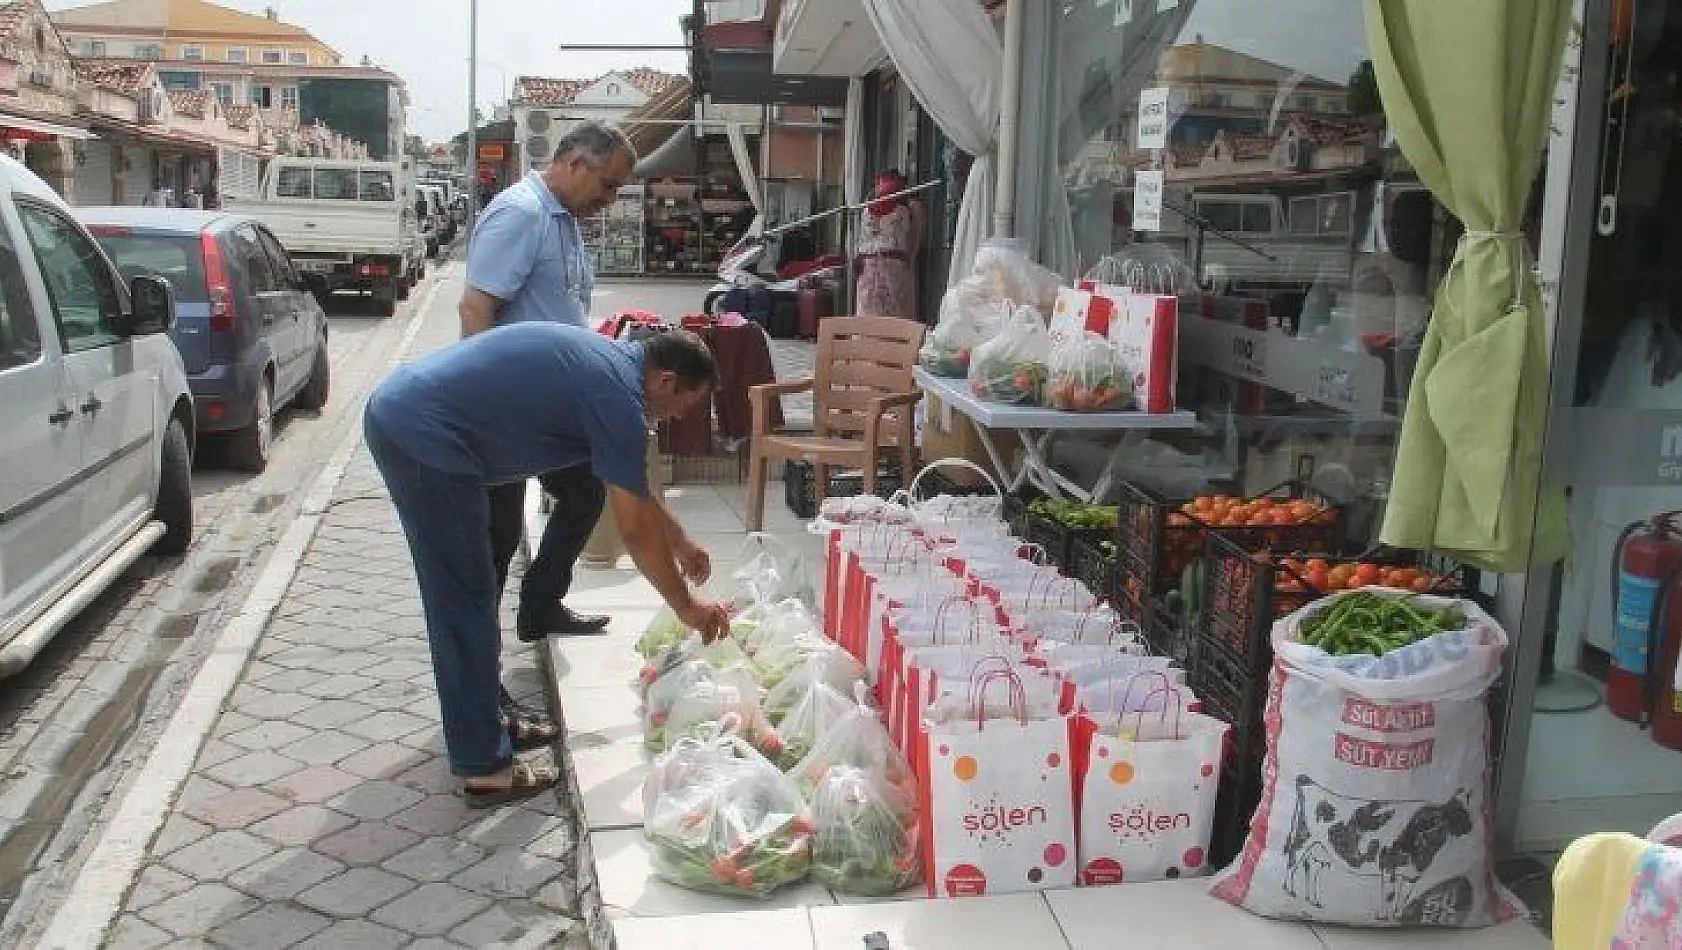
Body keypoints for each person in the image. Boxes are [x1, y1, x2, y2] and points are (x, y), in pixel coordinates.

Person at [364, 324, 731, 805]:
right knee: (462, 599)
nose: (680, 417)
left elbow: (632, 488)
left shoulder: (615, 369)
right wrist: (687, 606)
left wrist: (681, 542)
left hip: (442, 426)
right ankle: (484, 767)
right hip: (424, 436)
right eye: (684, 404)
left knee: (489, 572)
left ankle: (488, 719)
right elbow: (635, 529)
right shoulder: (617, 394)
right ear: (664, 380)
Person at [458, 121, 637, 645]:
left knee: (583, 491)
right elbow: (475, 308)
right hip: (506, 405)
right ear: (577, 162)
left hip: (551, 404)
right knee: (497, 536)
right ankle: (480, 668)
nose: (610, 199)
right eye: (607, 184)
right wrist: (491, 408)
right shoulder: (522, 213)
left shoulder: (563, 220)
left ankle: (540, 607)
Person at [854, 169, 922, 318]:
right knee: (884, 310)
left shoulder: (872, 202)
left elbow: (914, 236)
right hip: (881, 263)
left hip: (879, 262)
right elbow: (914, 238)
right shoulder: (872, 201)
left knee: (880, 309)